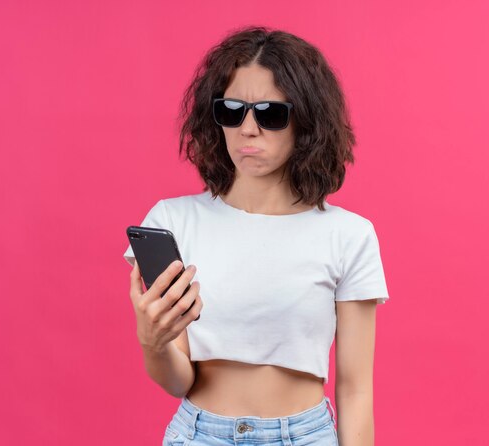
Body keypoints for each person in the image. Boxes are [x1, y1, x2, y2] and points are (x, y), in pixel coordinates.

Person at [123, 25, 390, 446]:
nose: (248, 129)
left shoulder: (348, 235)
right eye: (231, 110)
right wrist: (151, 342)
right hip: (199, 435)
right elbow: (179, 381)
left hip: (306, 436)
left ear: (306, 121)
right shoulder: (172, 222)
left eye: (270, 114)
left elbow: (355, 391)